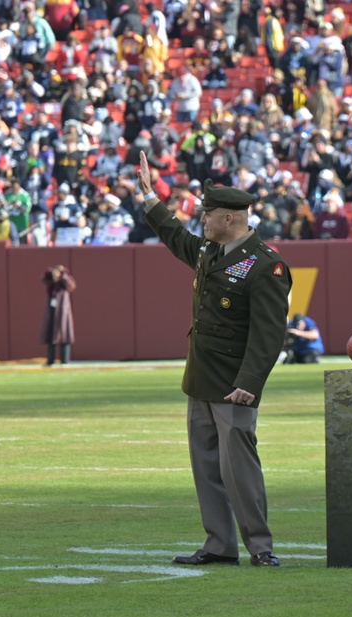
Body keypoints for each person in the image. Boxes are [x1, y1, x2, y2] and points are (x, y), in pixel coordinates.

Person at [137, 152, 291, 568]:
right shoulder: (211, 251)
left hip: (234, 385)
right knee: (206, 469)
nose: (201, 220)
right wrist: (151, 199)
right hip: (201, 379)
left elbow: (269, 334)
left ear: (229, 219)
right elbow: (176, 238)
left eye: (208, 215)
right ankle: (220, 545)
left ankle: (260, 546)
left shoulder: (265, 265)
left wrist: (250, 383)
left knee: (239, 470)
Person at [42, 265, 77, 366]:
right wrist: (50, 273)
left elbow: (71, 285)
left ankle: (64, 360)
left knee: (64, 334)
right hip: (52, 312)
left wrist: (63, 275)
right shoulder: (52, 286)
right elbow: (43, 279)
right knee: (51, 336)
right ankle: (50, 360)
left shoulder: (63, 286)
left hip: (63, 313)